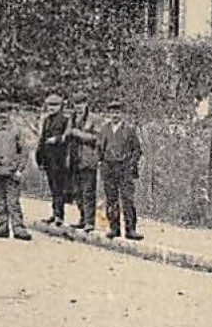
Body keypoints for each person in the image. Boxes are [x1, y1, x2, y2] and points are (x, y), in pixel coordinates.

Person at [97, 101, 144, 240]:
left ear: (122, 114)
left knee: (127, 199)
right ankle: (114, 228)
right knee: (111, 200)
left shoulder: (129, 130)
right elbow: (99, 148)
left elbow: (137, 150)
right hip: (109, 168)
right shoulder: (104, 130)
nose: (115, 115)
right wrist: (102, 162)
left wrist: (130, 164)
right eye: (112, 112)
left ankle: (130, 229)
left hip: (124, 169)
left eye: (117, 112)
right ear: (108, 114)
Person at [0, 104, 31, 240]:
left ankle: (18, 228)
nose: (3, 115)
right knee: (0, 200)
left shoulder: (16, 131)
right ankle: (3, 226)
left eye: (5, 112)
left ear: (10, 114)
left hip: (11, 171)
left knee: (13, 201)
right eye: (0, 112)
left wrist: (20, 169)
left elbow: (24, 152)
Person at [64, 96, 99, 233]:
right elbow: (67, 134)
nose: (78, 106)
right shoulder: (71, 119)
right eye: (76, 104)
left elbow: (97, 138)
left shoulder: (94, 119)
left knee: (88, 191)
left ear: (86, 104)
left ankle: (90, 221)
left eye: (81, 103)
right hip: (74, 159)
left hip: (88, 160)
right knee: (77, 191)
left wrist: (79, 134)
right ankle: (82, 218)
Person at [34, 93, 70, 226]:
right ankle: (54, 214)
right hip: (48, 159)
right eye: (49, 105)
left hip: (59, 158)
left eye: (55, 105)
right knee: (53, 188)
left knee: (59, 188)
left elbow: (68, 138)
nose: (51, 108)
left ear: (61, 106)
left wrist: (57, 139)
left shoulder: (65, 120)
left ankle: (59, 216)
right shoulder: (47, 120)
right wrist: (39, 157)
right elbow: (42, 139)